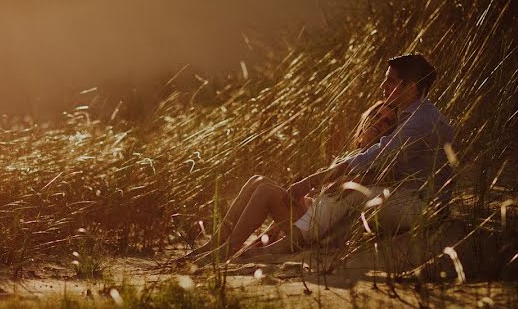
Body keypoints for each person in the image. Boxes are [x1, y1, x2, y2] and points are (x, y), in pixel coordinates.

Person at [192, 53, 454, 264]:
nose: (382, 87)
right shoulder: (412, 116)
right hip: (394, 203)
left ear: (410, 87)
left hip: (419, 207)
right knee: (260, 182)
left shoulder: (419, 121)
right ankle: (216, 245)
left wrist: (312, 180)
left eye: (390, 81)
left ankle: (230, 251)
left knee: (353, 191)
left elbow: (376, 157)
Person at [188, 100, 398, 264]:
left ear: (391, 132)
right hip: (310, 217)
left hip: (320, 232)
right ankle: (214, 244)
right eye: (376, 116)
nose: (379, 123)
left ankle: (226, 249)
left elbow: (355, 195)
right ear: (366, 119)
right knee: (258, 180)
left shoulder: (382, 159)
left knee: (266, 191)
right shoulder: (353, 155)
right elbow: (325, 198)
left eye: (387, 122)